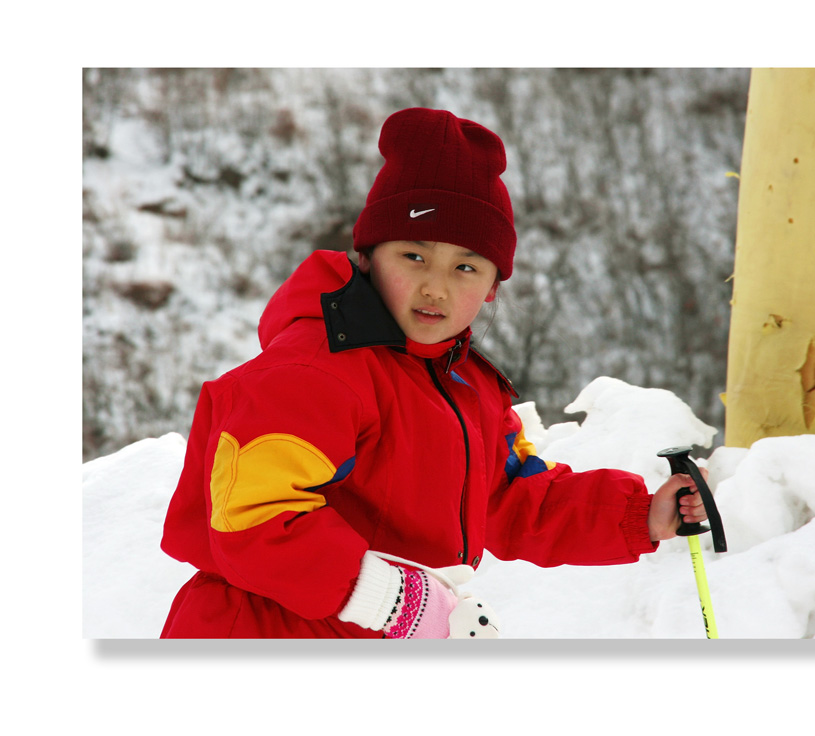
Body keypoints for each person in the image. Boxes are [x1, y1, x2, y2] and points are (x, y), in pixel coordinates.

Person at [159, 107, 708, 639]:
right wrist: (398, 602)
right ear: (368, 256)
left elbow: (511, 497)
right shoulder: (313, 371)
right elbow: (255, 518)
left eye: (465, 267)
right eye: (414, 257)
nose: (436, 287)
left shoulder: (465, 388)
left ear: (493, 287)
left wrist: (641, 514)